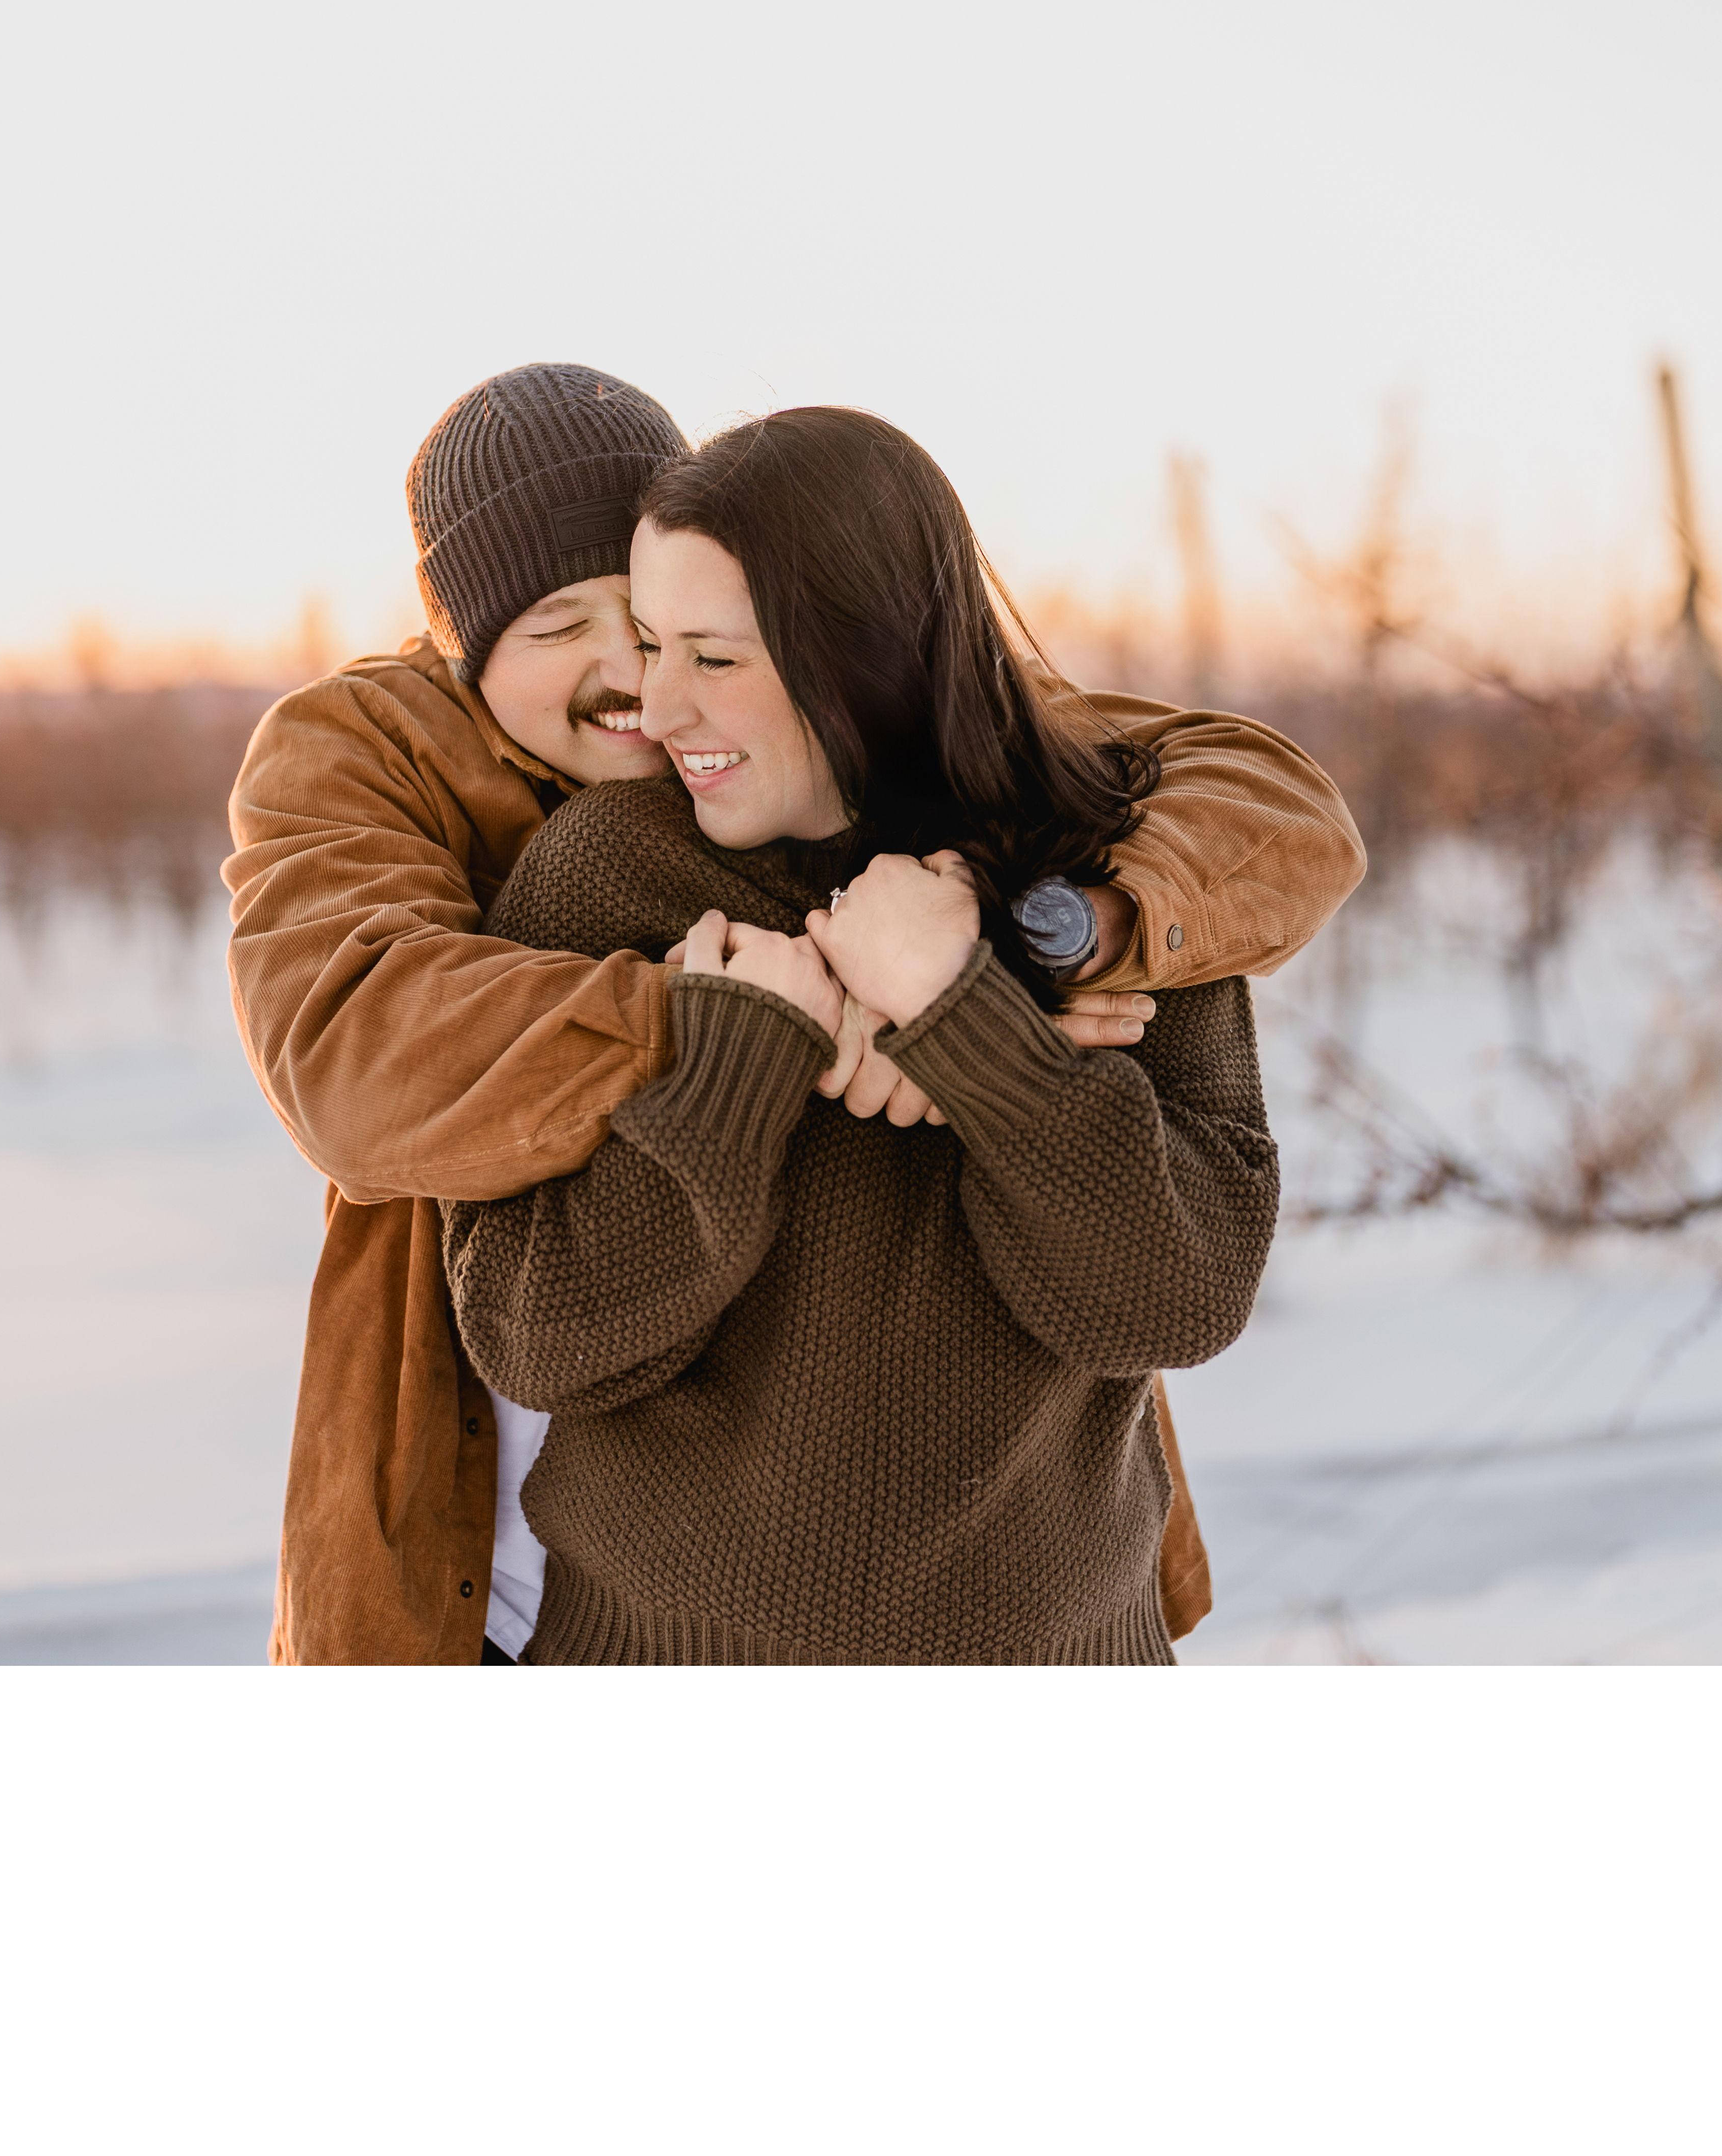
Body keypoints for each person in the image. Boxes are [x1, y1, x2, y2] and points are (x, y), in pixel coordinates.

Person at [224, 363, 1364, 1662]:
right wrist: (768, 1019)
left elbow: (1243, 794)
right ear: (465, 653)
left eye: (671, 631)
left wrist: (1025, 958)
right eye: (554, 628)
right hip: (502, 1588)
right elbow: (358, 1059)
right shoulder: (405, 779)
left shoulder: (1044, 839)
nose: (637, 682)